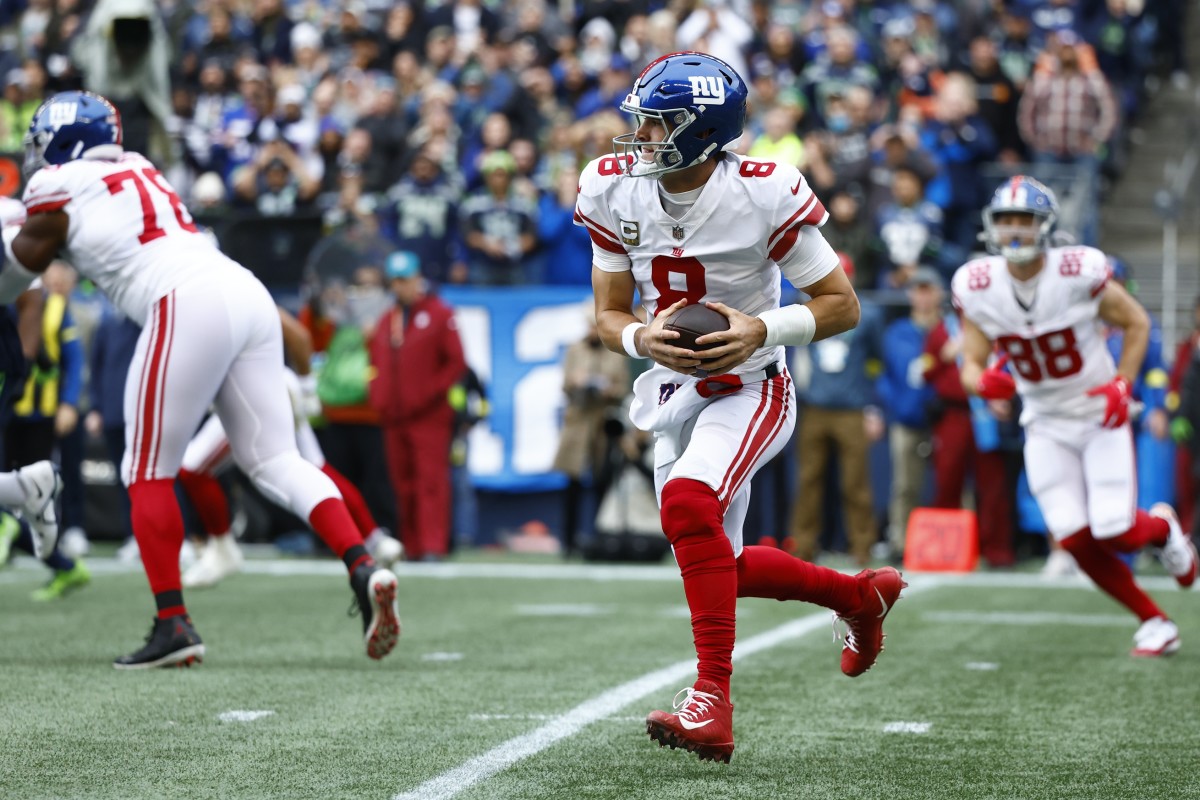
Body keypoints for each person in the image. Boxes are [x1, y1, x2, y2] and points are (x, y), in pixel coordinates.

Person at [579, 51, 905, 764]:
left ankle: (712, 703)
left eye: (658, 123)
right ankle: (857, 596)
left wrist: (762, 327)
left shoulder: (762, 192)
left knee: (690, 506)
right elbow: (605, 315)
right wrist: (642, 337)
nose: (640, 136)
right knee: (715, 559)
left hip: (753, 381)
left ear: (702, 131)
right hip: (672, 388)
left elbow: (841, 305)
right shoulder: (612, 189)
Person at [5, 91, 401, 669]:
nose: (39, 156)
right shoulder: (142, 169)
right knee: (277, 460)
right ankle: (362, 564)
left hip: (182, 300)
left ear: (64, 141)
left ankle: (173, 625)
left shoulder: (57, 184)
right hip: (242, 289)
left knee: (145, 470)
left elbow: (18, 272)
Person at [955, 175, 1198, 657]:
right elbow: (971, 364)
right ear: (991, 227)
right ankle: (1154, 620)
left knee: (1115, 528)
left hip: (1097, 414)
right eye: (1005, 220)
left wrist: (1123, 383)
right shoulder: (978, 284)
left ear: (1045, 225)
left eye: (1024, 219)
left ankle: (1164, 529)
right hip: (1043, 422)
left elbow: (1136, 322)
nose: (1014, 231)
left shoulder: (1076, 270)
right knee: (1073, 536)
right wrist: (984, 385)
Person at [178, 308, 404, 588]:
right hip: (270, 385)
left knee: (194, 468)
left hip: (254, 390)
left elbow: (299, 335)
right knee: (316, 469)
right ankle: (374, 539)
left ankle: (222, 547)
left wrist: (309, 387)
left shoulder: (226, 292)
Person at [368, 251, 466, 562]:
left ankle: (432, 545)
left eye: (405, 280)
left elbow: (456, 362)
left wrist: (428, 394)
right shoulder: (387, 320)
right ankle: (411, 545)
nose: (399, 287)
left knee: (431, 482)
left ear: (417, 279)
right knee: (402, 484)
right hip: (394, 417)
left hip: (429, 416)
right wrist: (379, 396)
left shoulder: (439, 314)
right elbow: (377, 364)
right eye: (395, 281)